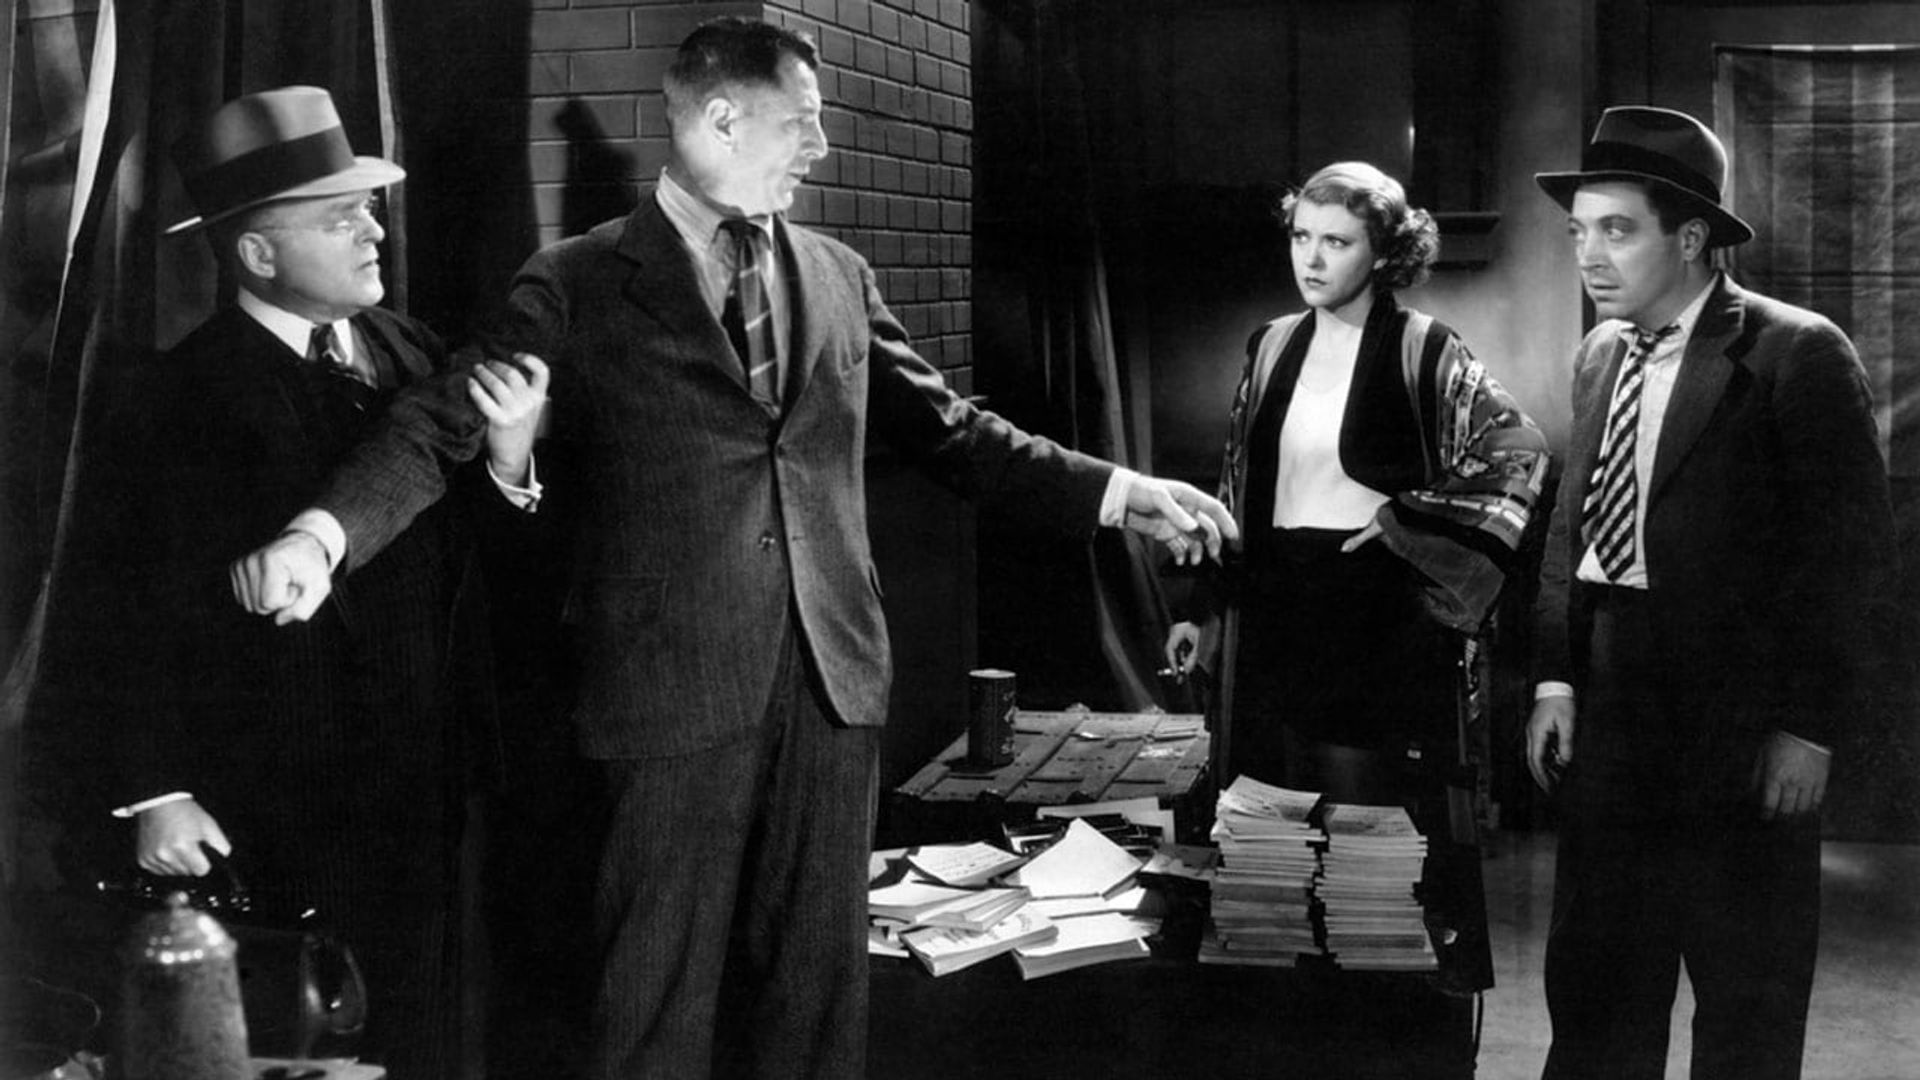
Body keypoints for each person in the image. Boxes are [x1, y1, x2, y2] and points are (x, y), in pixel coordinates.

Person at [224, 20, 1237, 1080]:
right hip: (664, 698)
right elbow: (441, 419)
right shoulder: (575, 279)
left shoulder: (839, 275)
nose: (821, 147)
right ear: (719, 119)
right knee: (649, 1007)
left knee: (813, 1005)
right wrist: (320, 537)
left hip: (830, 687)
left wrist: (1123, 493)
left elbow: (954, 435)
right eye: (802, 122)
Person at [63, 86, 546, 1076]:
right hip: (277, 793)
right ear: (256, 252)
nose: (375, 232)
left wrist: (509, 463)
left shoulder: (414, 353)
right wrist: (158, 791)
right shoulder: (176, 397)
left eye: (368, 208)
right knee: (310, 1039)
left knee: (426, 1032)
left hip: (428, 777)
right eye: (340, 217)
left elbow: (477, 563)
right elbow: (119, 614)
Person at [1524, 106, 1894, 1079]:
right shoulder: (1600, 354)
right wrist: (1556, 679)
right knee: (1598, 997)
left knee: (1746, 1010)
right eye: (1580, 231)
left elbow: (1850, 562)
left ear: (1690, 238)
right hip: (1611, 720)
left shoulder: (1795, 351)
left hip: (1738, 731)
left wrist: (1808, 728)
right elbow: (1570, 531)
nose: (1590, 256)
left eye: (1617, 230)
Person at [1165, 161, 1547, 803]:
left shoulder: (1425, 347)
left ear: (1384, 254)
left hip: (1371, 613)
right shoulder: (1270, 345)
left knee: (1363, 815)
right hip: (1271, 607)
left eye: (1336, 242)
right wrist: (1201, 611)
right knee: (1266, 811)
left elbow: (1519, 448)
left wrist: (1409, 520)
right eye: (1301, 236)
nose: (1311, 259)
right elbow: (1235, 487)